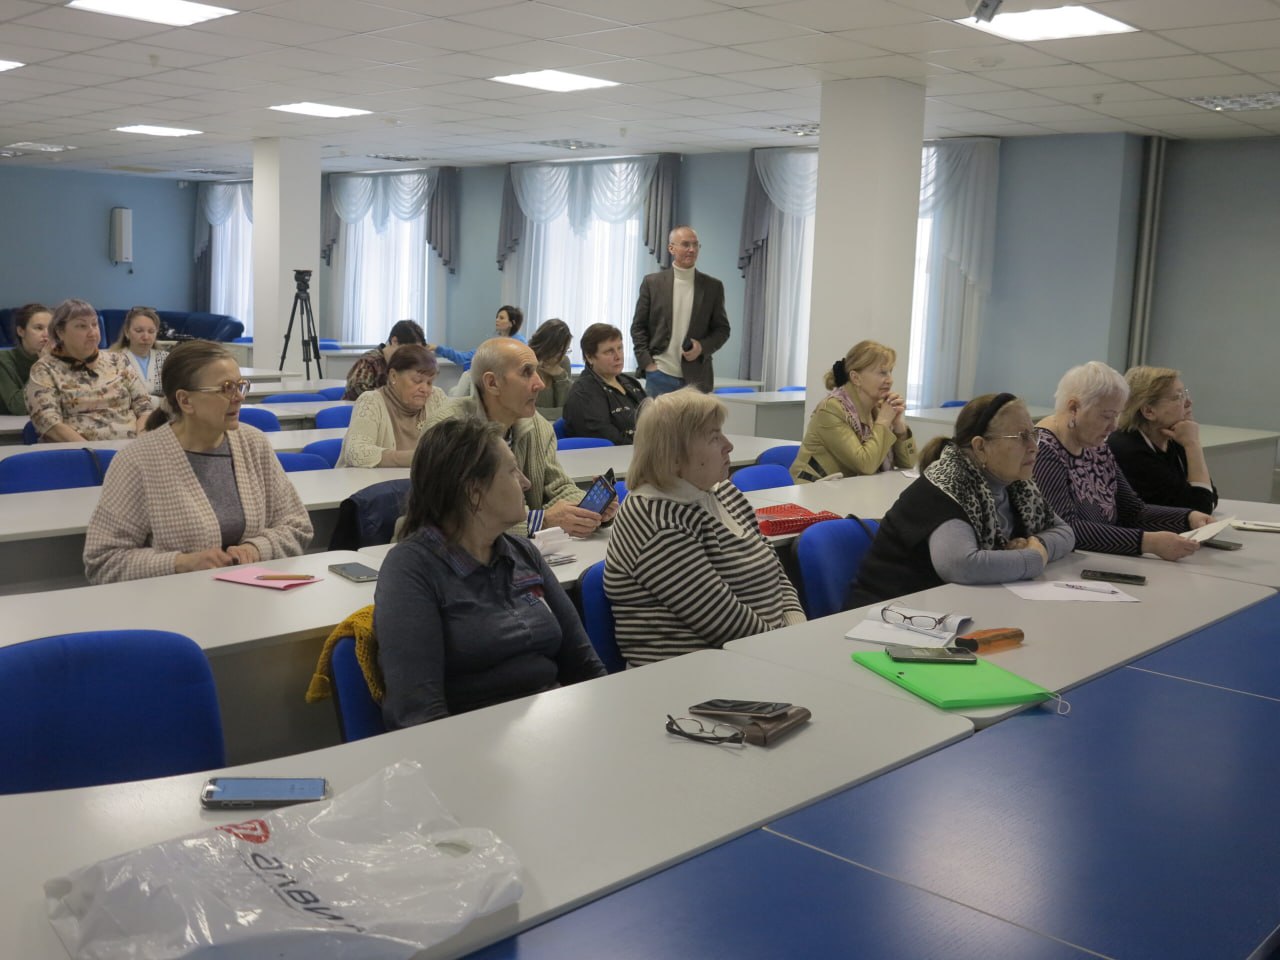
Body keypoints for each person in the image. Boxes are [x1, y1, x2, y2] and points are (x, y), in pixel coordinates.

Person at [374, 417, 606, 729]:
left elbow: (585, 667)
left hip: (552, 734)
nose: (525, 482)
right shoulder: (411, 571)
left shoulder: (522, 552)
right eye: (511, 471)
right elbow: (419, 714)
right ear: (474, 491)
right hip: (471, 748)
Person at [83, 340, 313, 584]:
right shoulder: (137, 461)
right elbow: (104, 561)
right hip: (173, 604)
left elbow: (296, 526)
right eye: (226, 388)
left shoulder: (253, 444)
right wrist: (180, 563)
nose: (238, 398)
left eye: (240, 386)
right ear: (185, 401)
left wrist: (256, 549)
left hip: (253, 600)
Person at [604, 388, 804, 667]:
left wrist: (799, 632)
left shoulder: (723, 493)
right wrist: (790, 653)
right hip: (694, 680)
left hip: (759, 660)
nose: (728, 445)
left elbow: (776, 571)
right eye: (714, 437)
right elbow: (725, 623)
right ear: (673, 456)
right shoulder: (655, 521)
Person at [846, 393, 1076, 608]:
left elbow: (1065, 533)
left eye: (1033, 434)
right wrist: (1033, 558)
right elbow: (960, 565)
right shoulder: (948, 486)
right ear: (980, 446)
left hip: (949, 609)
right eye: (1021, 437)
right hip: (891, 613)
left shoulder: (1018, 486)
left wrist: (1036, 542)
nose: (1034, 447)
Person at [424, 338, 615, 538]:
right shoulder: (449, 429)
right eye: (526, 372)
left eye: (537, 371)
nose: (540, 383)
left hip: (518, 550)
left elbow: (558, 487)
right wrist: (543, 520)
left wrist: (589, 512)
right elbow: (457, 519)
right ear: (492, 383)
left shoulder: (537, 426)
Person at [1034, 361, 1210, 561]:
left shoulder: (1096, 446)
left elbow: (1133, 511)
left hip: (1100, 560)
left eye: (1117, 415)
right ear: (1074, 407)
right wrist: (1147, 542)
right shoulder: (1043, 450)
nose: (1113, 426)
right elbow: (1066, 528)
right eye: (1107, 416)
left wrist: (1189, 517)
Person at [25, 298, 152, 442]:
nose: (92, 332)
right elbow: (49, 423)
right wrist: (96, 453)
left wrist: (141, 442)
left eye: (94, 324)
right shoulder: (44, 369)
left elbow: (144, 406)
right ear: (60, 332)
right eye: (81, 326)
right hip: (79, 455)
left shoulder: (118, 361)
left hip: (130, 450)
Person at [790, 340, 916, 482]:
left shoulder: (877, 408)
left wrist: (899, 427)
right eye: (882, 373)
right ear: (856, 378)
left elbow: (908, 464)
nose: (890, 380)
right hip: (813, 490)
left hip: (850, 489)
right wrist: (884, 421)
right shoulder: (832, 409)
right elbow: (866, 465)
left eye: (890, 372)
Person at [630, 226, 730, 397]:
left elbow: (722, 330)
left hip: (697, 377)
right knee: (659, 425)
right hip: (659, 373)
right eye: (685, 244)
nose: (691, 250)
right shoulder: (652, 283)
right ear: (671, 248)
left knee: (697, 425)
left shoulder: (713, 286)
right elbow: (638, 327)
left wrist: (702, 347)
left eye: (695, 245)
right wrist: (647, 364)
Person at [1108, 366, 1217, 514]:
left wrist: (1189, 444)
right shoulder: (1128, 449)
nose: (1188, 402)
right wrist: (1193, 445)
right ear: (1149, 411)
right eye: (1178, 397)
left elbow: (1210, 497)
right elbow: (1201, 508)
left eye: (1185, 394)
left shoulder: (1174, 438)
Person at [338, 344, 443, 468]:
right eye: (417, 381)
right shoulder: (371, 402)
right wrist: (416, 458)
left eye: (429, 383)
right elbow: (356, 452)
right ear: (393, 376)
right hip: (369, 483)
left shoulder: (436, 397)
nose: (425, 389)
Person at [563, 322, 647, 444]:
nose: (618, 356)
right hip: (612, 458)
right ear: (589, 357)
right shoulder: (583, 393)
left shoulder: (630, 382)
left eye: (620, 348)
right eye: (609, 351)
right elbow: (609, 440)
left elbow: (654, 420)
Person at [341, 319, 425, 400]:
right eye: (409, 350)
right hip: (358, 411)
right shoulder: (369, 361)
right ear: (394, 341)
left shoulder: (404, 364)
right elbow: (356, 391)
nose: (412, 356)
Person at [430, 306, 525, 372]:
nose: (497, 320)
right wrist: (437, 348)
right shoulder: (494, 343)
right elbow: (463, 357)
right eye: (497, 317)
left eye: (501, 318)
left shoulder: (520, 344)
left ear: (511, 323)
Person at [0, 303, 51, 415]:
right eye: (39, 328)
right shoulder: (3, 360)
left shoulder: (59, 358)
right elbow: (18, 407)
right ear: (21, 331)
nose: (46, 335)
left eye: (51, 328)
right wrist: (41, 365)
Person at [110, 305, 167, 396]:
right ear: (127, 332)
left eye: (151, 331)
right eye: (139, 331)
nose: (146, 337)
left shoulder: (166, 359)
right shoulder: (114, 360)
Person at [528, 318, 573, 414]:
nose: (561, 356)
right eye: (560, 351)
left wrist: (560, 377)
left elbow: (567, 409)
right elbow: (527, 412)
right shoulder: (526, 363)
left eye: (566, 350)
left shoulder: (564, 362)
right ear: (546, 346)